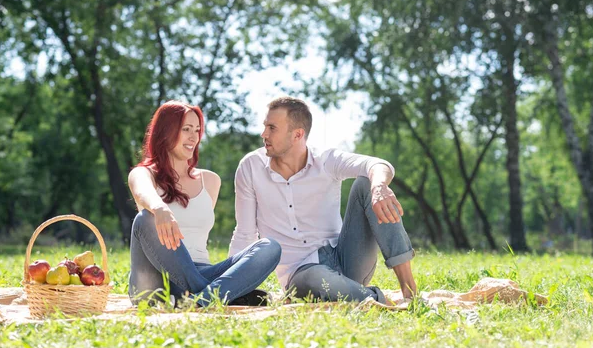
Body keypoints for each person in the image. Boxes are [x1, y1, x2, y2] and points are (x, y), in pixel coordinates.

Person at [229, 97, 416, 304]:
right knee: (314, 277)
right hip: (300, 275)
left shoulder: (326, 160)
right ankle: (376, 300)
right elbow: (244, 233)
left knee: (366, 183)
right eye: (265, 126)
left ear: (297, 134)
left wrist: (379, 187)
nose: (264, 134)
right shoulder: (251, 167)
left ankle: (409, 292)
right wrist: (232, 286)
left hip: (346, 259)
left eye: (272, 128)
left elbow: (378, 164)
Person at [127, 100, 281, 307]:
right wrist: (159, 208)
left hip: (201, 268)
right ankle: (218, 294)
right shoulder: (144, 174)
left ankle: (198, 300)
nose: (194, 136)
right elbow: (142, 191)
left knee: (270, 247)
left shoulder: (210, 181)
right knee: (145, 218)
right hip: (154, 281)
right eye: (186, 129)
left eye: (197, 130)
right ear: (166, 132)